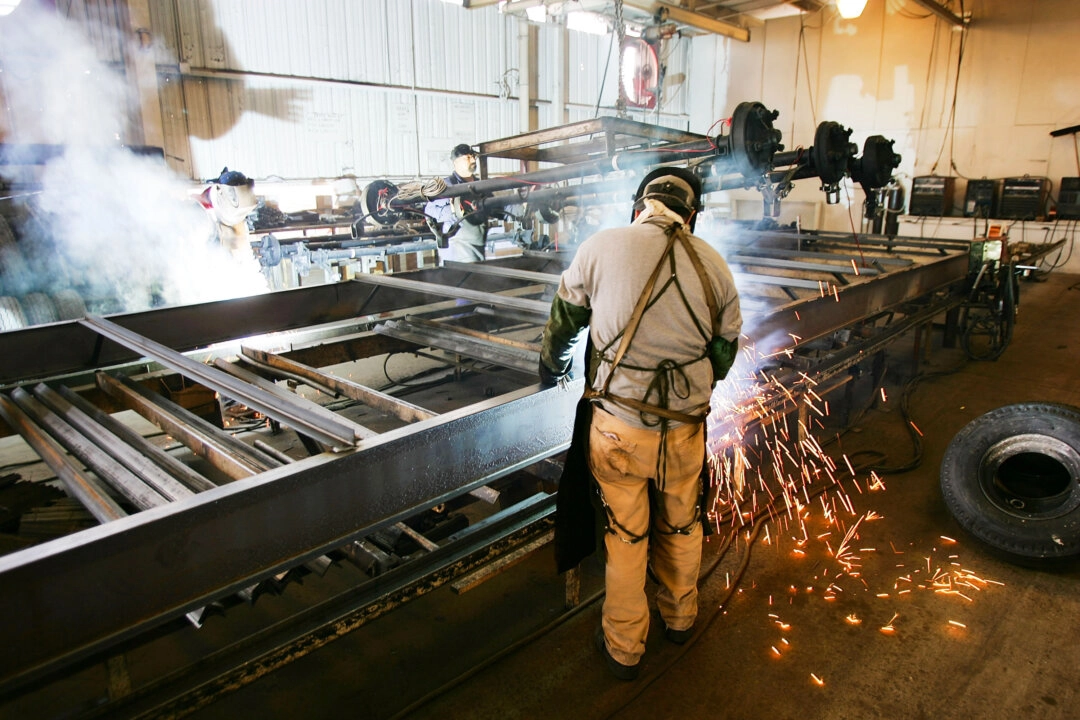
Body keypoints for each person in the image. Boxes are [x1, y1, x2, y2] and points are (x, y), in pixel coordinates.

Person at [539, 167, 742, 681]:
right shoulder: (714, 265)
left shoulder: (601, 246)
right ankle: (680, 618)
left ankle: (625, 649)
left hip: (617, 431)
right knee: (681, 523)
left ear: (640, 207)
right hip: (684, 433)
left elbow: (562, 327)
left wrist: (554, 373)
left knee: (626, 539)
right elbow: (722, 358)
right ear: (691, 216)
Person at [424, 143, 487, 263]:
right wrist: (453, 212)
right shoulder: (447, 186)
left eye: (473, 156)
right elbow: (430, 211)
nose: (473, 160)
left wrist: (522, 207)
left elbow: (497, 205)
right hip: (457, 248)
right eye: (467, 157)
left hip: (478, 247)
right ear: (456, 162)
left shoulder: (480, 185)